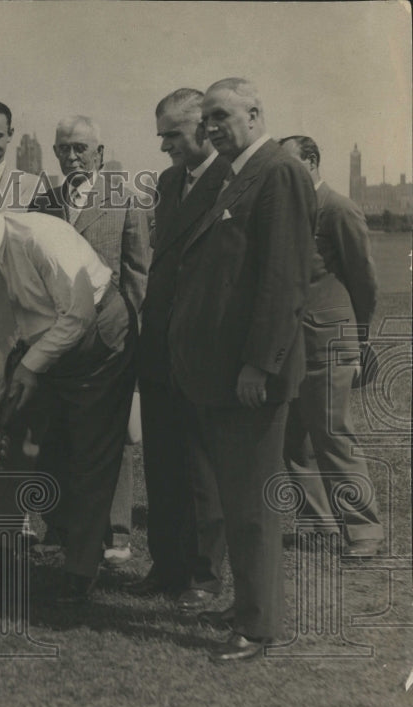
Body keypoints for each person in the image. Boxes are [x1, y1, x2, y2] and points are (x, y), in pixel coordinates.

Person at [169, 78, 315, 662]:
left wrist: (260, 364)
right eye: (205, 120)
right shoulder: (238, 173)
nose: (210, 129)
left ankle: (258, 630)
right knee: (237, 500)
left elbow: (283, 281)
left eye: (221, 117)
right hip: (222, 374)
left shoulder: (279, 171)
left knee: (252, 508)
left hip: (249, 377)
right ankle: (251, 607)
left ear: (256, 113)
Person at [0, 180, 137, 604]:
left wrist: (29, 366)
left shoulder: (42, 237)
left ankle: (80, 569)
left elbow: (78, 313)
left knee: (91, 452)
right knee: (19, 448)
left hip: (100, 334)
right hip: (42, 342)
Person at [30, 114, 152, 565]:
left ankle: (116, 532)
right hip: (60, 336)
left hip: (111, 338)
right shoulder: (43, 204)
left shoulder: (124, 201)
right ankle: (59, 526)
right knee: (58, 432)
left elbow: (138, 274)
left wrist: (134, 336)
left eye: (81, 148)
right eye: (64, 148)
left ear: (99, 153)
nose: (72, 156)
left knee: (114, 435)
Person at [126, 88, 229, 609]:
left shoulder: (232, 180)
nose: (163, 144)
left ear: (205, 128)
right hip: (159, 339)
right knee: (162, 461)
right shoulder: (169, 182)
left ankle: (205, 575)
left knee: (200, 464)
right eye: (161, 133)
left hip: (203, 345)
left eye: (172, 133)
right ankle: (166, 566)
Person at [279, 135, 383, 556]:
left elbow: (364, 281)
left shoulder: (338, 208)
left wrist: (358, 341)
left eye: (291, 166)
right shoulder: (287, 211)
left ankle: (364, 532)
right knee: (292, 440)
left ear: (313, 160)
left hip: (329, 342)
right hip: (290, 346)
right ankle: (320, 524)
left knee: (333, 435)